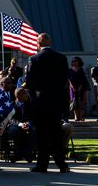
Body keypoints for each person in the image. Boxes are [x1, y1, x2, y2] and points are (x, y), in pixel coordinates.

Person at [25, 33, 70, 174]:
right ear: (50, 42)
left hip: (40, 103)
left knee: (41, 135)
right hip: (56, 102)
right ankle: (62, 164)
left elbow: (29, 83)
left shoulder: (33, 59)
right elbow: (64, 81)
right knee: (56, 134)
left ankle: (42, 165)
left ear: (38, 43)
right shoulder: (61, 58)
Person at [8, 87, 36, 162]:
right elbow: (11, 119)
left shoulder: (30, 104)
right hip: (15, 124)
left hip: (28, 123)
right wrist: (20, 124)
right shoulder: (12, 104)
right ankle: (19, 153)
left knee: (32, 130)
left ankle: (26, 153)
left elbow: (32, 116)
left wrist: (27, 123)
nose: (27, 94)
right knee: (15, 130)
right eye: (24, 93)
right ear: (18, 96)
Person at [67, 57, 88, 122]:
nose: (74, 62)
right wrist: (72, 87)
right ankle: (76, 117)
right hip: (72, 88)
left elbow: (83, 79)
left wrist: (80, 87)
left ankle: (81, 116)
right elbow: (69, 79)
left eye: (75, 61)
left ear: (78, 62)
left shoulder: (81, 70)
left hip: (81, 88)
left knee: (81, 102)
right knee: (74, 102)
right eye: (73, 61)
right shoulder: (69, 70)